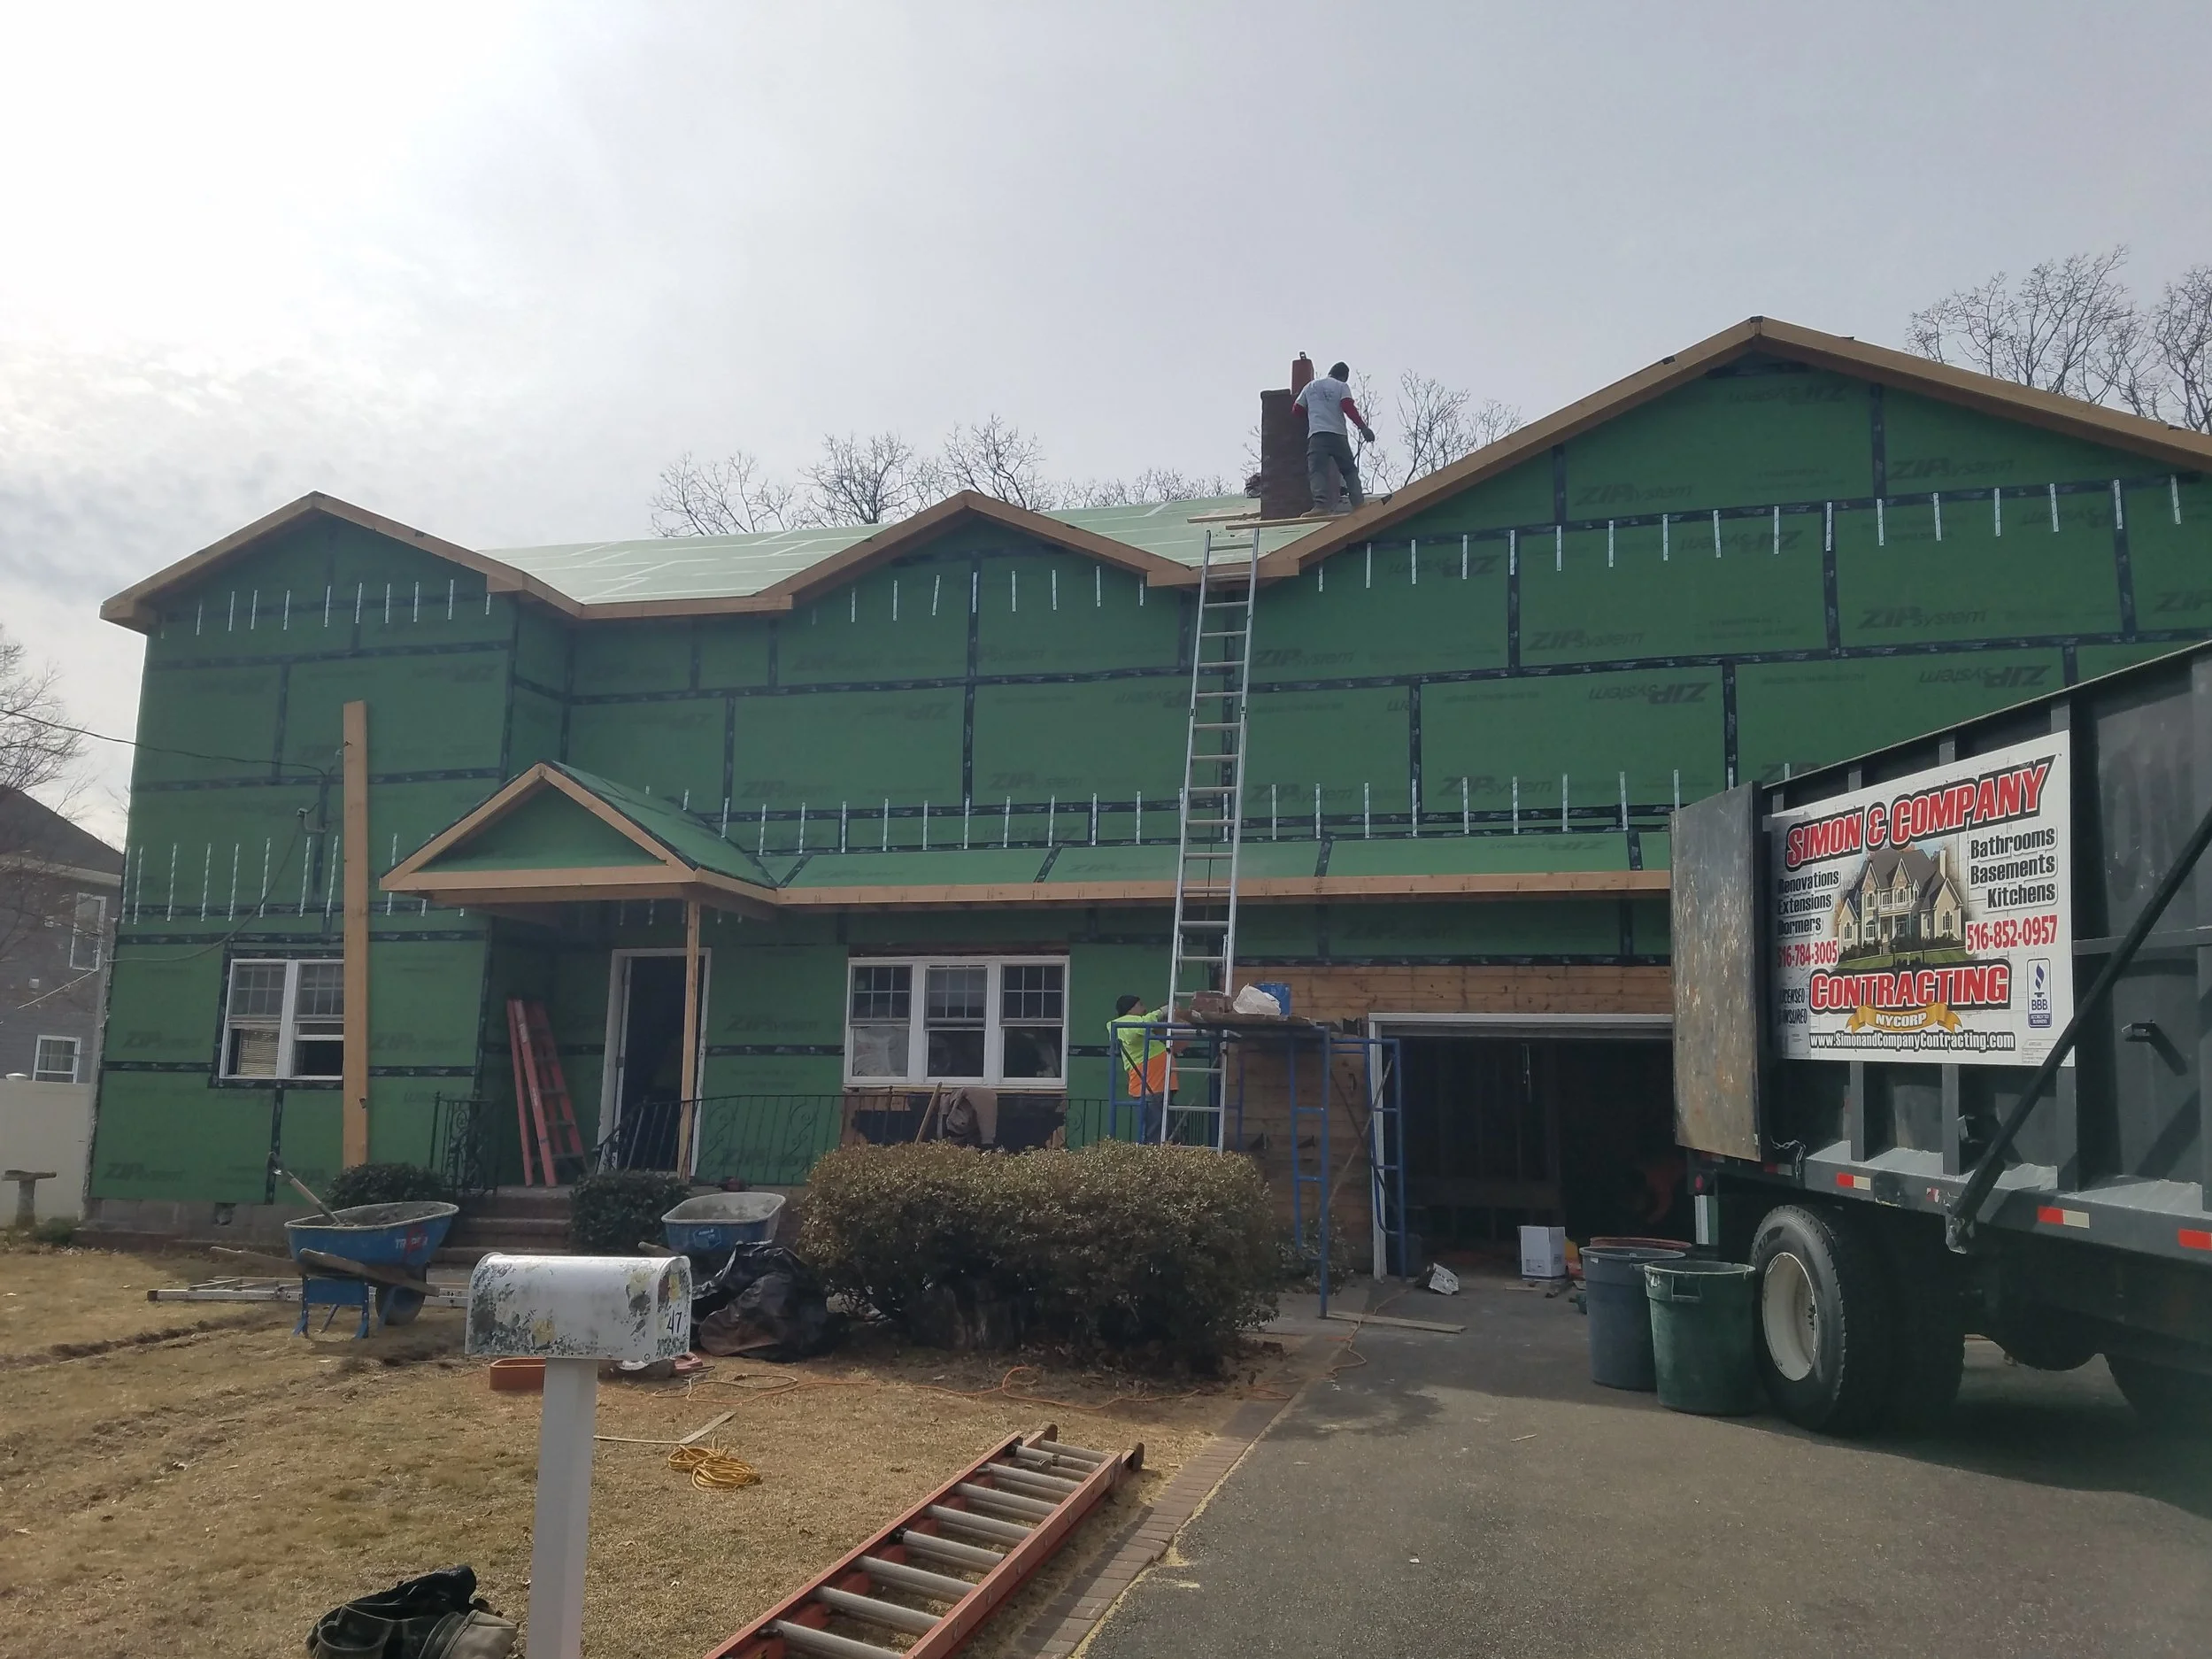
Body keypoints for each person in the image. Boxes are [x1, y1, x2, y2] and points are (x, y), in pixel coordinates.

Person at [1292, 359, 1377, 515]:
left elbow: (1297, 410)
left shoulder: (1310, 386)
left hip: (1317, 435)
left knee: (1317, 470)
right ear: (1344, 376)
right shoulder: (1341, 386)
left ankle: (1321, 506)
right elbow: (1347, 407)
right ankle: (1358, 504)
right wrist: (1363, 428)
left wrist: (1314, 412)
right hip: (1338, 435)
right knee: (1349, 469)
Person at [1110, 992, 1171, 1142]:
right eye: (1140, 1005)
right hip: (1148, 1083)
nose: (1144, 1008)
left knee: (1163, 1123)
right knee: (1155, 1124)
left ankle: (1161, 1153)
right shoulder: (1123, 1023)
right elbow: (1141, 1025)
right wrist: (1162, 1011)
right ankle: (1153, 1156)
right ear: (1130, 1009)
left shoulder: (1137, 1023)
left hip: (1158, 1082)